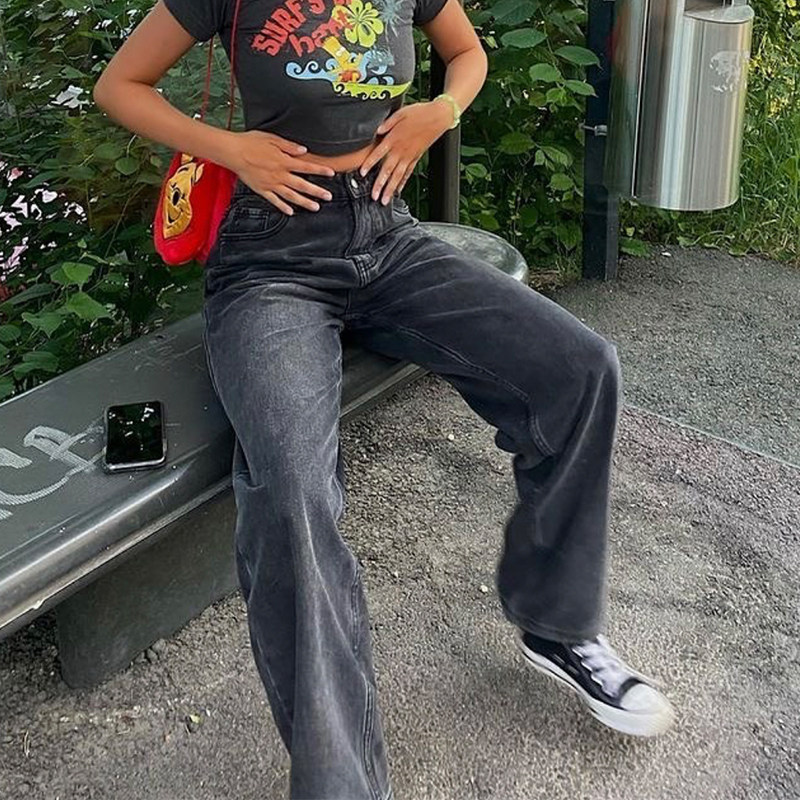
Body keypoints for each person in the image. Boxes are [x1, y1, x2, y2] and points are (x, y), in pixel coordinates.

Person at [94, 0, 675, 797]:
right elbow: (120, 84)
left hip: (388, 237)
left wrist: (440, 111)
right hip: (272, 261)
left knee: (579, 369)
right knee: (291, 491)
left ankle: (557, 624)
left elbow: (467, 54)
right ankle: (341, 781)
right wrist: (232, 150)